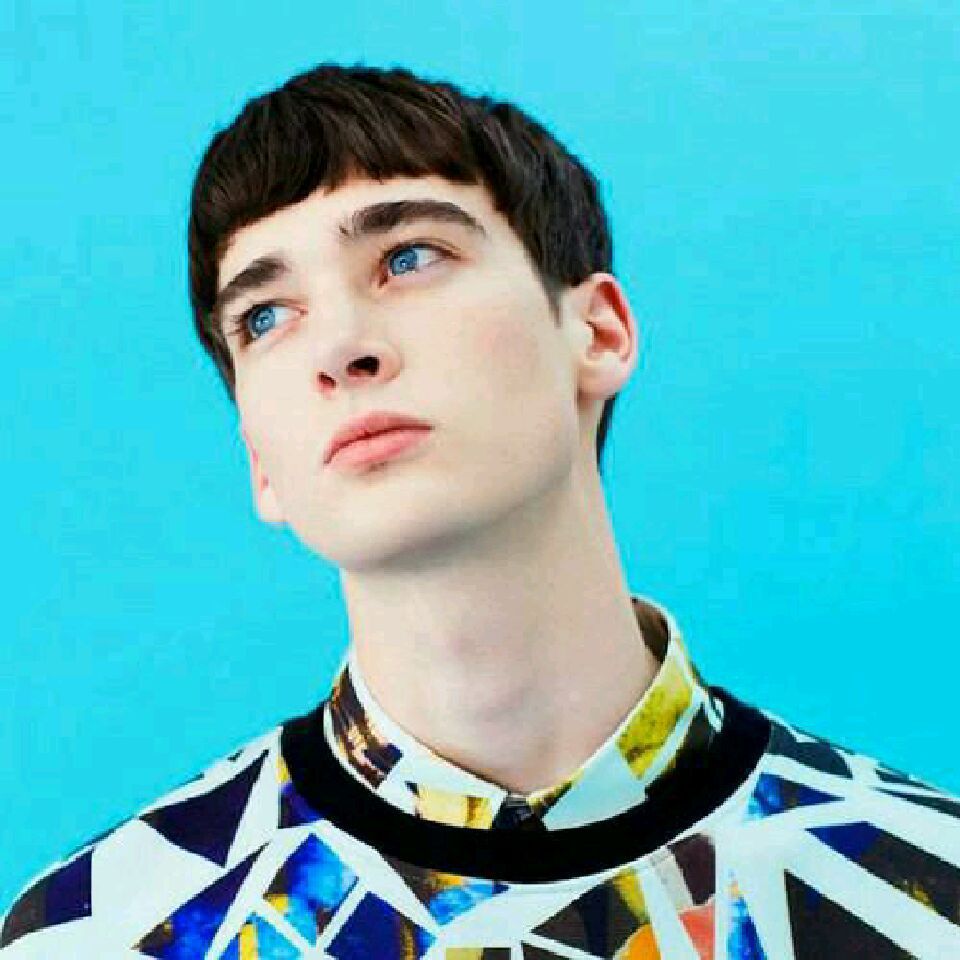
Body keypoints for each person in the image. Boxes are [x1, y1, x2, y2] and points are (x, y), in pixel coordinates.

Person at [2, 61, 958, 959]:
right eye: (266, 316)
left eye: (408, 257)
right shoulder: (95, 937)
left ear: (597, 331)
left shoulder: (928, 896)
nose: (339, 347)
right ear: (260, 459)